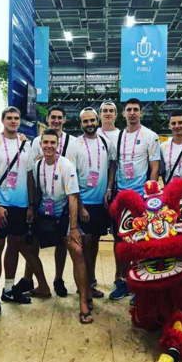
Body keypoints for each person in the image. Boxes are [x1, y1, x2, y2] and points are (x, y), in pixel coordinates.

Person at [0, 107, 50, 320]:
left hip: (21, 206)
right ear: (2, 120)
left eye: (16, 118)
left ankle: (8, 289)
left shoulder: (25, 144)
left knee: (15, 245)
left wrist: (30, 205)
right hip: (1, 205)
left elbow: (29, 175)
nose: (13, 121)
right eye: (9, 118)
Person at [33, 129, 93, 324]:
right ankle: (40, 285)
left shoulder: (66, 165)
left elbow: (72, 198)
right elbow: (37, 192)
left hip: (64, 216)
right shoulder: (37, 165)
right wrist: (32, 210)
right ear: (41, 144)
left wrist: (73, 228)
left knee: (77, 251)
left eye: (52, 142)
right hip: (45, 216)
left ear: (57, 144)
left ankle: (83, 302)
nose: (49, 146)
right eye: (46, 142)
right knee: (26, 244)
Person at [20, 106, 76, 297]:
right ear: (47, 119)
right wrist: (32, 204)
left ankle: (58, 279)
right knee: (31, 241)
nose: (56, 120)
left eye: (60, 117)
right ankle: (29, 278)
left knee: (61, 245)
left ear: (65, 119)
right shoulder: (37, 141)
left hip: (63, 199)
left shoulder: (72, 141)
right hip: (43, 201)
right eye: (53, 117)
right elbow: (33, 168)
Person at [109, 98, 161, 300]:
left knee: (141, 240)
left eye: (135, 110)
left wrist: (150, 194)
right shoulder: (117, 137)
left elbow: (154, 166)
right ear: (123, 113)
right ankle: (122, 280)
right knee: (120, 240)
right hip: (121, 196)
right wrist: (109, 188)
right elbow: (114, 165)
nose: (132, 113)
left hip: (141, 196)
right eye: (129, 110)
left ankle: (140, 283)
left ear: (141, 113)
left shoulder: (150, 136)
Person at [66, 108, 116, 299]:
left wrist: (109, 187)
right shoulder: (75, 145)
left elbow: (112, 164)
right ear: (81, 124)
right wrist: (80, 207)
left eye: (92, 120)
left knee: (94, 242)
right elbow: (71, 179)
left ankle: (90, 282)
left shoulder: (106, 142)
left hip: (100, 204)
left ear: (97, 121)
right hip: (83, 203)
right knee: (84, 245)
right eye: (85, 121)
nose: (89, 124)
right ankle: (84, 287)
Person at [160, 111, 182, 183]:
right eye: (173, 123)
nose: (177, 126)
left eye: (180, 123)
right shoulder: (163, 147)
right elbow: (162, 171)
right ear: (169, 126)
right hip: (170, 188)